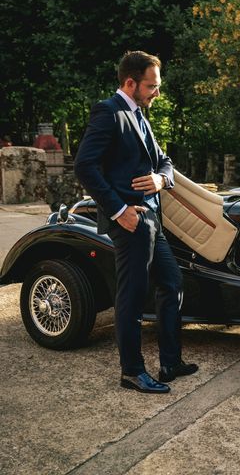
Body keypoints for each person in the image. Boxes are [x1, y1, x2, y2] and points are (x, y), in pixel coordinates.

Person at [74, 51, 197, 394]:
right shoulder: (108, 112)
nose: (157, 92)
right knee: (131, 295)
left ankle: (170, 362)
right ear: (130, 82)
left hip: (152, 218)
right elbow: (85, 167)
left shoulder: (141, 116)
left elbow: (165, 162)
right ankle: (131, 371)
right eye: (151, 86)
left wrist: (162, 180)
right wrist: (118, 211)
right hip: (129, 221)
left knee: (172, 283)